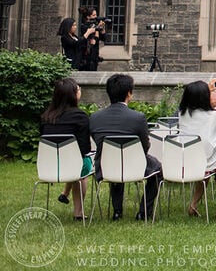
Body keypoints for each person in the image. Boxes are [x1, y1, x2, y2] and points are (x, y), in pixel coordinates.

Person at [89, 74, 162, 220]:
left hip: (105, 166)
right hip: (134, 163)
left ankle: (117, 211)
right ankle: (144, 212)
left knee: (114, 159)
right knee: (157, 168)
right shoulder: (138, 117)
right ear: (129, 93)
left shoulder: (95, 118)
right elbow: (145, 146)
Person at [40, 77, 92, 220]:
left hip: (48, 166)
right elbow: (84, 149)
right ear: (73, 94)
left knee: (71, 159)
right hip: (73, 164)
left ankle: (65, 194)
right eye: (79, 89)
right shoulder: (80, 117)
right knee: (83, 163)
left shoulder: (46, 117)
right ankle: (78, 212)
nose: (80, 90)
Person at [177, 79, 216, 217]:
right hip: (207, 163)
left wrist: (206, 89)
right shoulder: (214, 117)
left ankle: (194, 204)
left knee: (205, 168)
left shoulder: (182, 115)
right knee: (215, 164)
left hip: (185, 160)